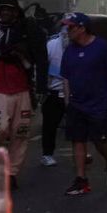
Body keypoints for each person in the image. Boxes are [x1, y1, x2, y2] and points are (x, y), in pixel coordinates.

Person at [0, 0, 43, 188]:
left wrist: (41, 85)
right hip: (0, 89)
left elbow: (40, 56)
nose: (5, 12)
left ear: (16, 12)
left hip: (23, 88)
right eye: (2, 9)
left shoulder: (27, 31)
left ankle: (11, 173)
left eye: (10, 9)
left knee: (20, 131)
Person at [58, 12, 107, 195]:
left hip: (98, 103)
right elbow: (66, 77)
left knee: (99, 141)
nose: (68, 31)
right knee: (77, 140)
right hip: (77, 103)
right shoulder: (70, 50)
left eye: (71, 27)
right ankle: (81, 179)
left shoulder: (101, 47)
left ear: (82, 28)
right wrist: (67, 100)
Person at [40, 19, 69, 167]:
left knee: (79, 124)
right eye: (66, 29)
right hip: (54, 92)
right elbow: (42, 68)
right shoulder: (51, 45)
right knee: (50, 125)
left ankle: (80, 150)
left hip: (74, 94)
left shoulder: (81, 46)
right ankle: (47, 154)